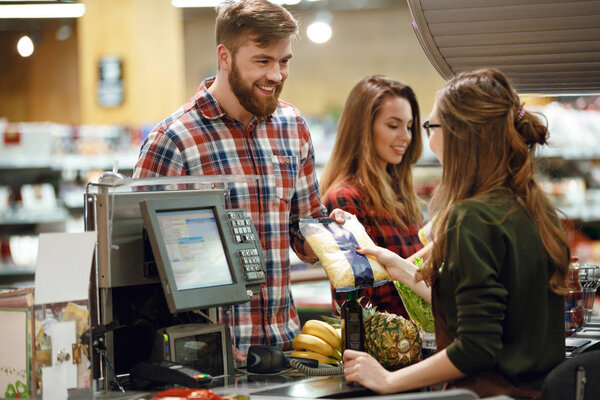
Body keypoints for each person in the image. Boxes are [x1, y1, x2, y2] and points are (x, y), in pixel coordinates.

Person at [133, 0, 345, 359]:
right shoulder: (174, 140)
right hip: (208, 357)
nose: (276, 75)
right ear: (225, 56)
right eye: (262, 61)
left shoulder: (293, 127)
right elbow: (139, 269)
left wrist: (333, 236)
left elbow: (303, 229)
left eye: (284, 62)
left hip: (287, 350)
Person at [343, 68, 570, 398]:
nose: (423, 137)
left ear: (458, 135)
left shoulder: (472, 217)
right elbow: (490, 315)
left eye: (430, 126)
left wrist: (389, 380)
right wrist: (398, 267)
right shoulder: (535, 207)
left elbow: (476, 348)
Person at [319, 75, 425, 316]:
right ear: (363, 129)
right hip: (380, 349)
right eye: (393, 125)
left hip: (415, 345)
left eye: (409, 126)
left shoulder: (401, 193)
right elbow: (360, 298)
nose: (406, 137)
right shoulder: (345, 199)